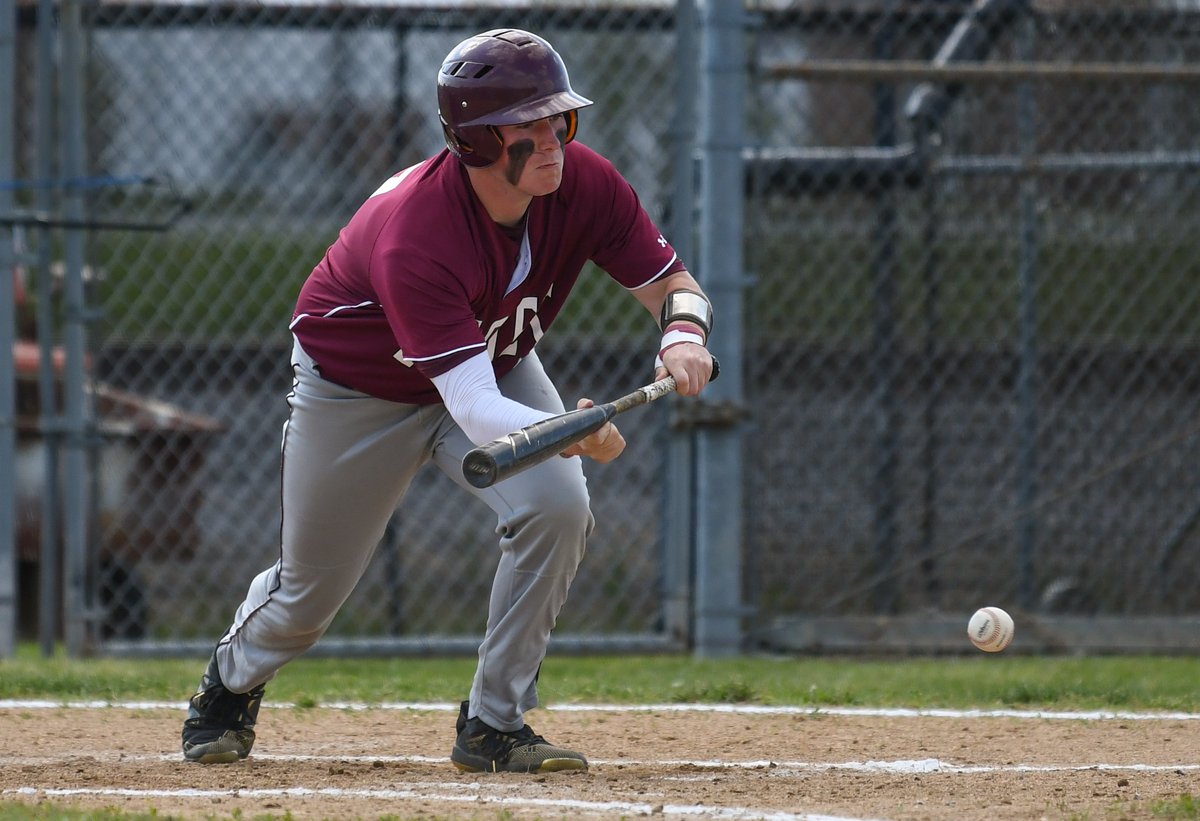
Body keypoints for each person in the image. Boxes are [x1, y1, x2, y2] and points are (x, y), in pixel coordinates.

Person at [180, 27, 716, 774]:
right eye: (526, 126)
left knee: (558, 508)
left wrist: (681, 336)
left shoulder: (584, 184)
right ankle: (227, 686)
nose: (553, 139)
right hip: (359, 388)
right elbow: (474, 411)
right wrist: (573, 427)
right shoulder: (419, 234)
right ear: (473, 141)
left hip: (490, 360)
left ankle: (494, 722)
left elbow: (673, 285)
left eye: (558, 119)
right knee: (310, 594)